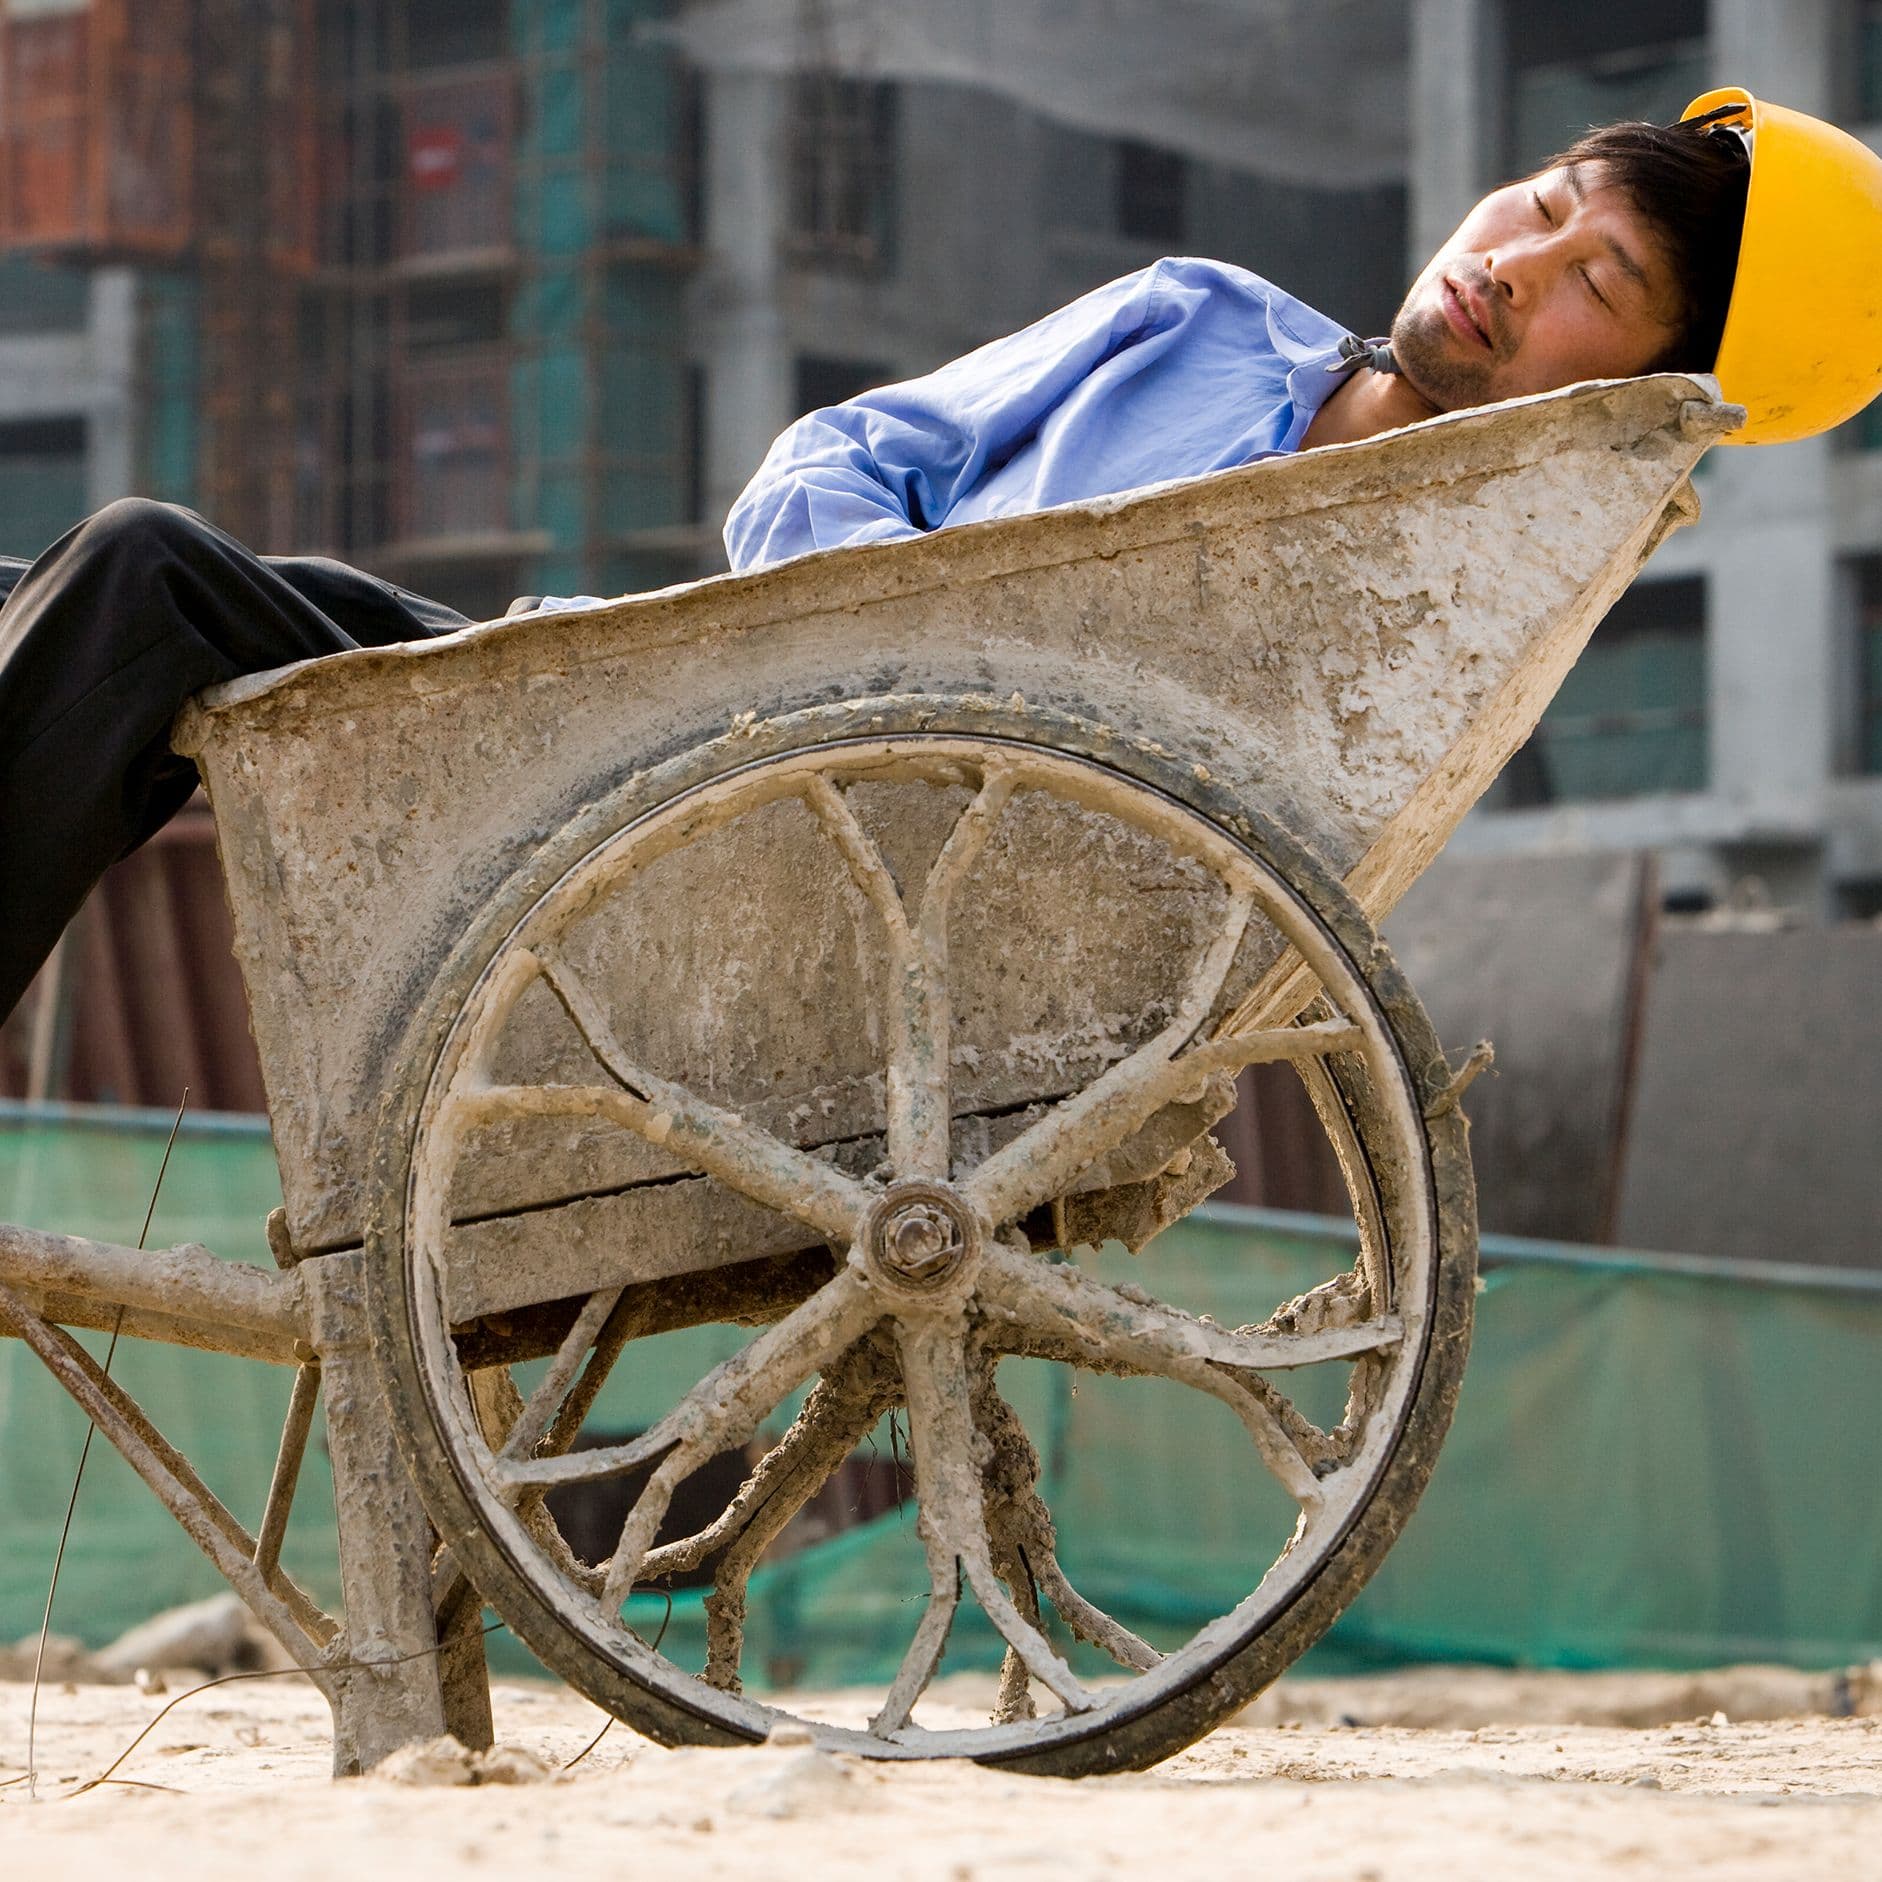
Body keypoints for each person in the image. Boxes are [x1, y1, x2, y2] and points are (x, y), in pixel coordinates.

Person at [1, 88, 1877, 1023]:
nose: (1513, 260)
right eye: (1538, 205)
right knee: (91, 590)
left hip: (837, 887)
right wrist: (865, 631)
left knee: (145, 576)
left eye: (1593, 283)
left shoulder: (1433, 594)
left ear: (1641, 385)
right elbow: (840, 454)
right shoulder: (1198, 315)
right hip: (656, 709)